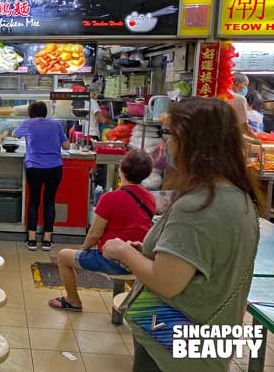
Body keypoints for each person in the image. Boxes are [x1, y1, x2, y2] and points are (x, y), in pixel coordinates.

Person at [102, 97, 262, 372]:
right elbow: (200, 261)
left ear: (195, 143)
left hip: (173, 347)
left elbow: (166, 283)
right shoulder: (237, 196)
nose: (168, 145)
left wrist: (121, 250)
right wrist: (151, 251)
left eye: (173, 135)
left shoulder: (199, 206)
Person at [49, 150, 155, 311]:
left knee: (64, 256)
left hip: (112, 260)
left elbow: (94, 234)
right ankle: (138, 301)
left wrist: (83, 250)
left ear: (121, 169)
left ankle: (72, 300)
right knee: (132, 274)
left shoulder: (110, 198)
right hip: (139, 259)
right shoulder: (150, 198)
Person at [13, 101, 70, 251]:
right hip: (55, 168)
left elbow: (15, 134)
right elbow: (67, 146)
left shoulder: (28, 123)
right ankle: (47, 240)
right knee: (49, 201)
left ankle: (31, 239)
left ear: (31, 113)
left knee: (34, 201)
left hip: (34, 167)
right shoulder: (56, 124)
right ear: (45, 112)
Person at [228, 72, 255, 137]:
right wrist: (255, 138)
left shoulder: (219, 95)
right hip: (231, 137)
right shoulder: (240, 99)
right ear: (236, 83)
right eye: (245, 85)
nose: (246, 89)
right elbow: (243, 126)